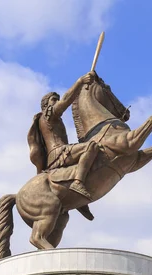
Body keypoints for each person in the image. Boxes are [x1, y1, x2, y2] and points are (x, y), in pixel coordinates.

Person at [27, 71, 100, 210]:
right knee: (91, 147)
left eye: (56, 99)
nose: (56, 101)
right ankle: (78, 183)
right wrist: (80, 82)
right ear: (45, 105)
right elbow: (66, 100)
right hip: (59, 153)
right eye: (53, 99)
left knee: (88, 158)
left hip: (59, 154)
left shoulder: (51, 119)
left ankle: (76, 198)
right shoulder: (48, 115)